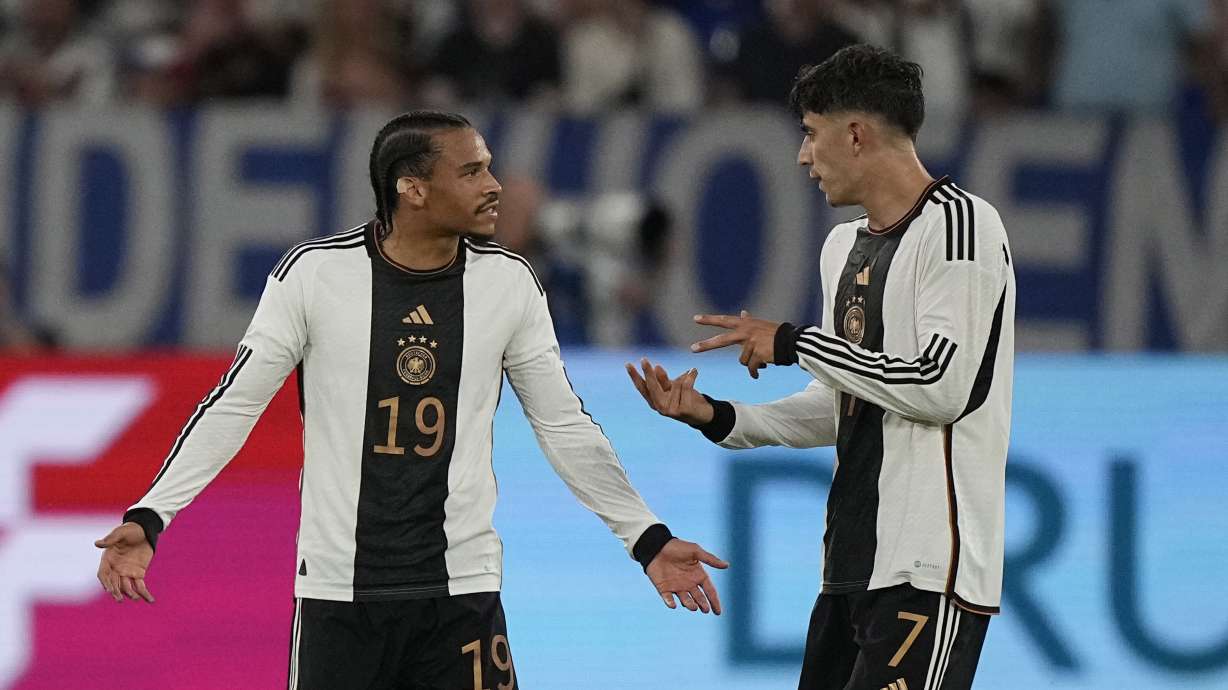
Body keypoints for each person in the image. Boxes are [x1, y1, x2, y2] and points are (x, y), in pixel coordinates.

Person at [95, 110, 727, 689]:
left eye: (489, 168)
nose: (494, 186)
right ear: (413, 189)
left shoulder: (509, 282)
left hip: (461, 594)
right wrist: (151, 515)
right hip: (340, 598)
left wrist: (645, 537)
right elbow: (236, 403)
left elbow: (564, 425)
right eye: (471, 171)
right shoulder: (314, 274)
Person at [628, 45, 1015, 690]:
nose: (802, 156)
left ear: (855, 134)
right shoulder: (842, 247)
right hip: (849, 568)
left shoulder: (961, 224)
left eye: (811, 133)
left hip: (928, 568)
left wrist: (793, 341)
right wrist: (720, 416)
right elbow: (843, 404)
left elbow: (940, 386)